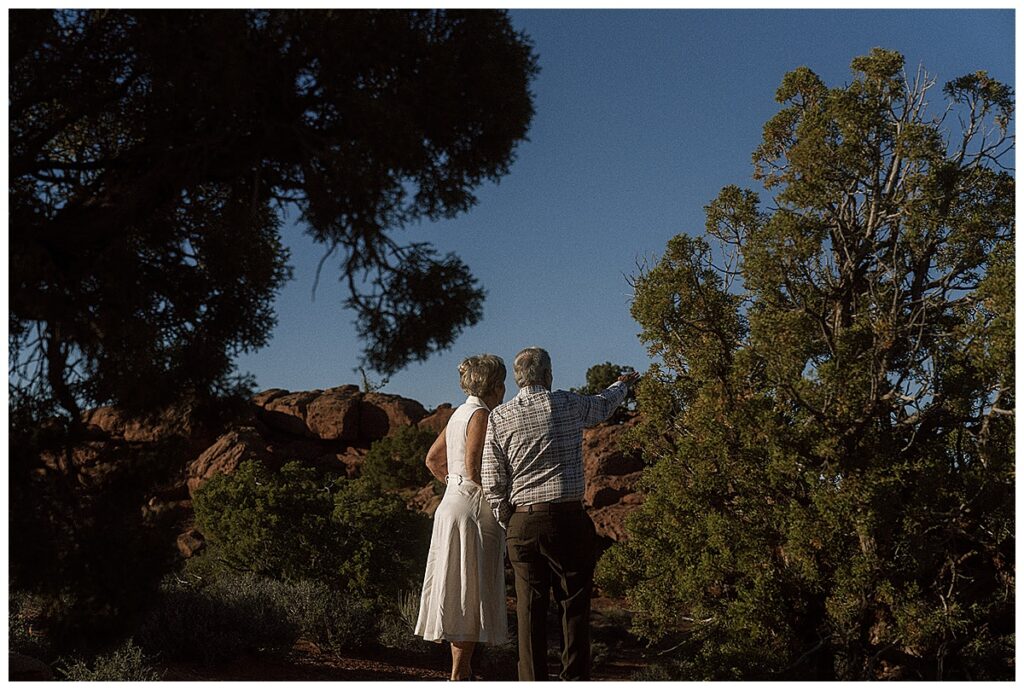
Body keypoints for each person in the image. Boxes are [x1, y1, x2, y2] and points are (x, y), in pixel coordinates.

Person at [482, 347, 639, 681]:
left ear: (517, 378)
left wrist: (509, 520)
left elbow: (492, 481)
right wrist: (622, 384)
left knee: (528, 613)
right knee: (574, 608)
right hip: (568, 519)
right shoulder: (567, 403)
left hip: (523, 521)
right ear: (548, 374)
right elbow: (603, 405)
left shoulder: (499, 417)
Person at [415, 354, 509, 681]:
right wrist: (499, 498)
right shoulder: (481, 413)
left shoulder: (458, 414)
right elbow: (474, 467)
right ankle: (459, 672)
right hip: (472, 509)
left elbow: (432, 460)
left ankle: (461, 670)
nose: (505, 389)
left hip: (450, 505)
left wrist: (450, 483)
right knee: (470, 591)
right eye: (502, 382)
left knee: (456, 590)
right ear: (493, 385)